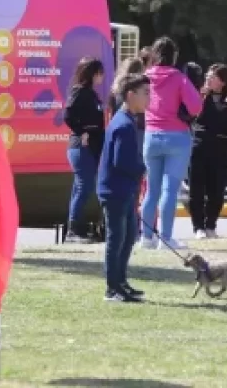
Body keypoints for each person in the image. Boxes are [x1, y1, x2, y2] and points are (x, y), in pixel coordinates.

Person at [140, 37, 202, 250]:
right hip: (177, 137)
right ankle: (166, 238)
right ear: (174, 56)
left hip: (151, 136)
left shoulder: (145, 77)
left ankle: (146, 237)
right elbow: (195, 107)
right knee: (170, 190)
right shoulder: (178, 77)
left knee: (151, 190)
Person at [98, 73, 151, 303]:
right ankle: (112, 288)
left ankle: (121, 282)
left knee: (129, 236)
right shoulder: (123, 125)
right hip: (115, 190)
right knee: (116, 238)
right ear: (130, 95)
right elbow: (122, 161)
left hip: (124, 189)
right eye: (145, 93)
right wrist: (142, 168)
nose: (149, 98)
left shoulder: (128, 120)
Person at [189, 64, 227, 239]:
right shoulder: (199, 97)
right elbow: (190, 119)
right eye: (208, 76)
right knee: (197, 189)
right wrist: (200, 96)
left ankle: (211, 224)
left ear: (223, 82)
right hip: (199, 146)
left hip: (221, 149)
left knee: (216, 190)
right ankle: (198, 226)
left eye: (213, 77)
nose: (209, 79)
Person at [63, 57, 107, 243]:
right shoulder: (79, 92)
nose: (102, 77)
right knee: (84, 186)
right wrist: (82, 132)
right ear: (92, 73)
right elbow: (68, 115)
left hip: (92, 148)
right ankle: (74, 230)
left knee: (80, 186)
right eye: (99, 73)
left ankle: (76, 226)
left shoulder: (91, 94)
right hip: (82, 148)